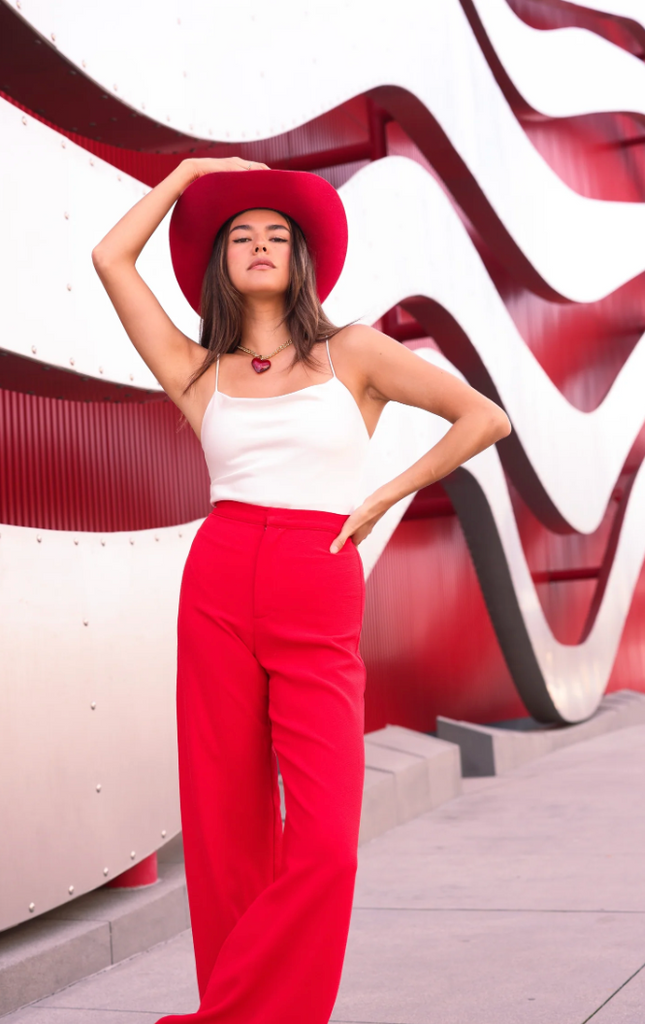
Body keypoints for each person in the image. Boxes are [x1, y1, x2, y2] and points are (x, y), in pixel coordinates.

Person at [91, 155, 511, 1024]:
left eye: (274, 234)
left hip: (317, 575)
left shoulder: (351, 351)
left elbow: (484, 416)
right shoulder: (196, 369)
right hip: (217, 578)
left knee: (323, 843)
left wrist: (391, 490)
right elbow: (110, 261)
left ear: (301, 257)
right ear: (219, 261)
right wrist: (186, 175)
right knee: (224, 833)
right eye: (239, 234)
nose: (256, 244)